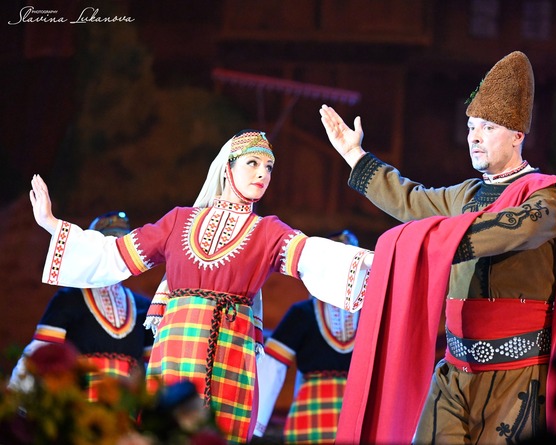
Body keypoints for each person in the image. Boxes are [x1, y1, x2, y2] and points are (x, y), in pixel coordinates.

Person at [28, 130, 373, 445]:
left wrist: (379, 260)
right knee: (168, 429)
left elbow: (313, 255)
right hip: (176, 347)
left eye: (269, 167)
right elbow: (116, 255)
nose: (262, 174)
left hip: (231, 350)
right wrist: (53, 225)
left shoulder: (268, 231)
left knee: (219, 434)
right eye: (253, 163)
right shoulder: (178, 220)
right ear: (227, 168)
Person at [319, 51, 556, 444]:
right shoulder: (465, 194)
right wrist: (354, 155)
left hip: (516, 376)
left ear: (517, 135)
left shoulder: (545, 197)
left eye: (487, 127)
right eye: (471, 126)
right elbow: (412, 202)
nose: (473, 136)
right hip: (456, 371)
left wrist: (430, 246)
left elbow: (506, 230)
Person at [8, 211, 154, 401]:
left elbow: (154, 371)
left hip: (126, 416)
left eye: (119, 247)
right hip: (79, 415)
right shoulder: (69, 299)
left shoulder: (144, 308)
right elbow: (39, 356)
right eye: (106, 247)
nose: (112, 256)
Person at [253, 229, 361, 444]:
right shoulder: (302, 314)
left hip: (354, 406)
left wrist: (256, 428)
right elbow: (274, 366)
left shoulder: (372, 313)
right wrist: (256, 426)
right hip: (329, 408)